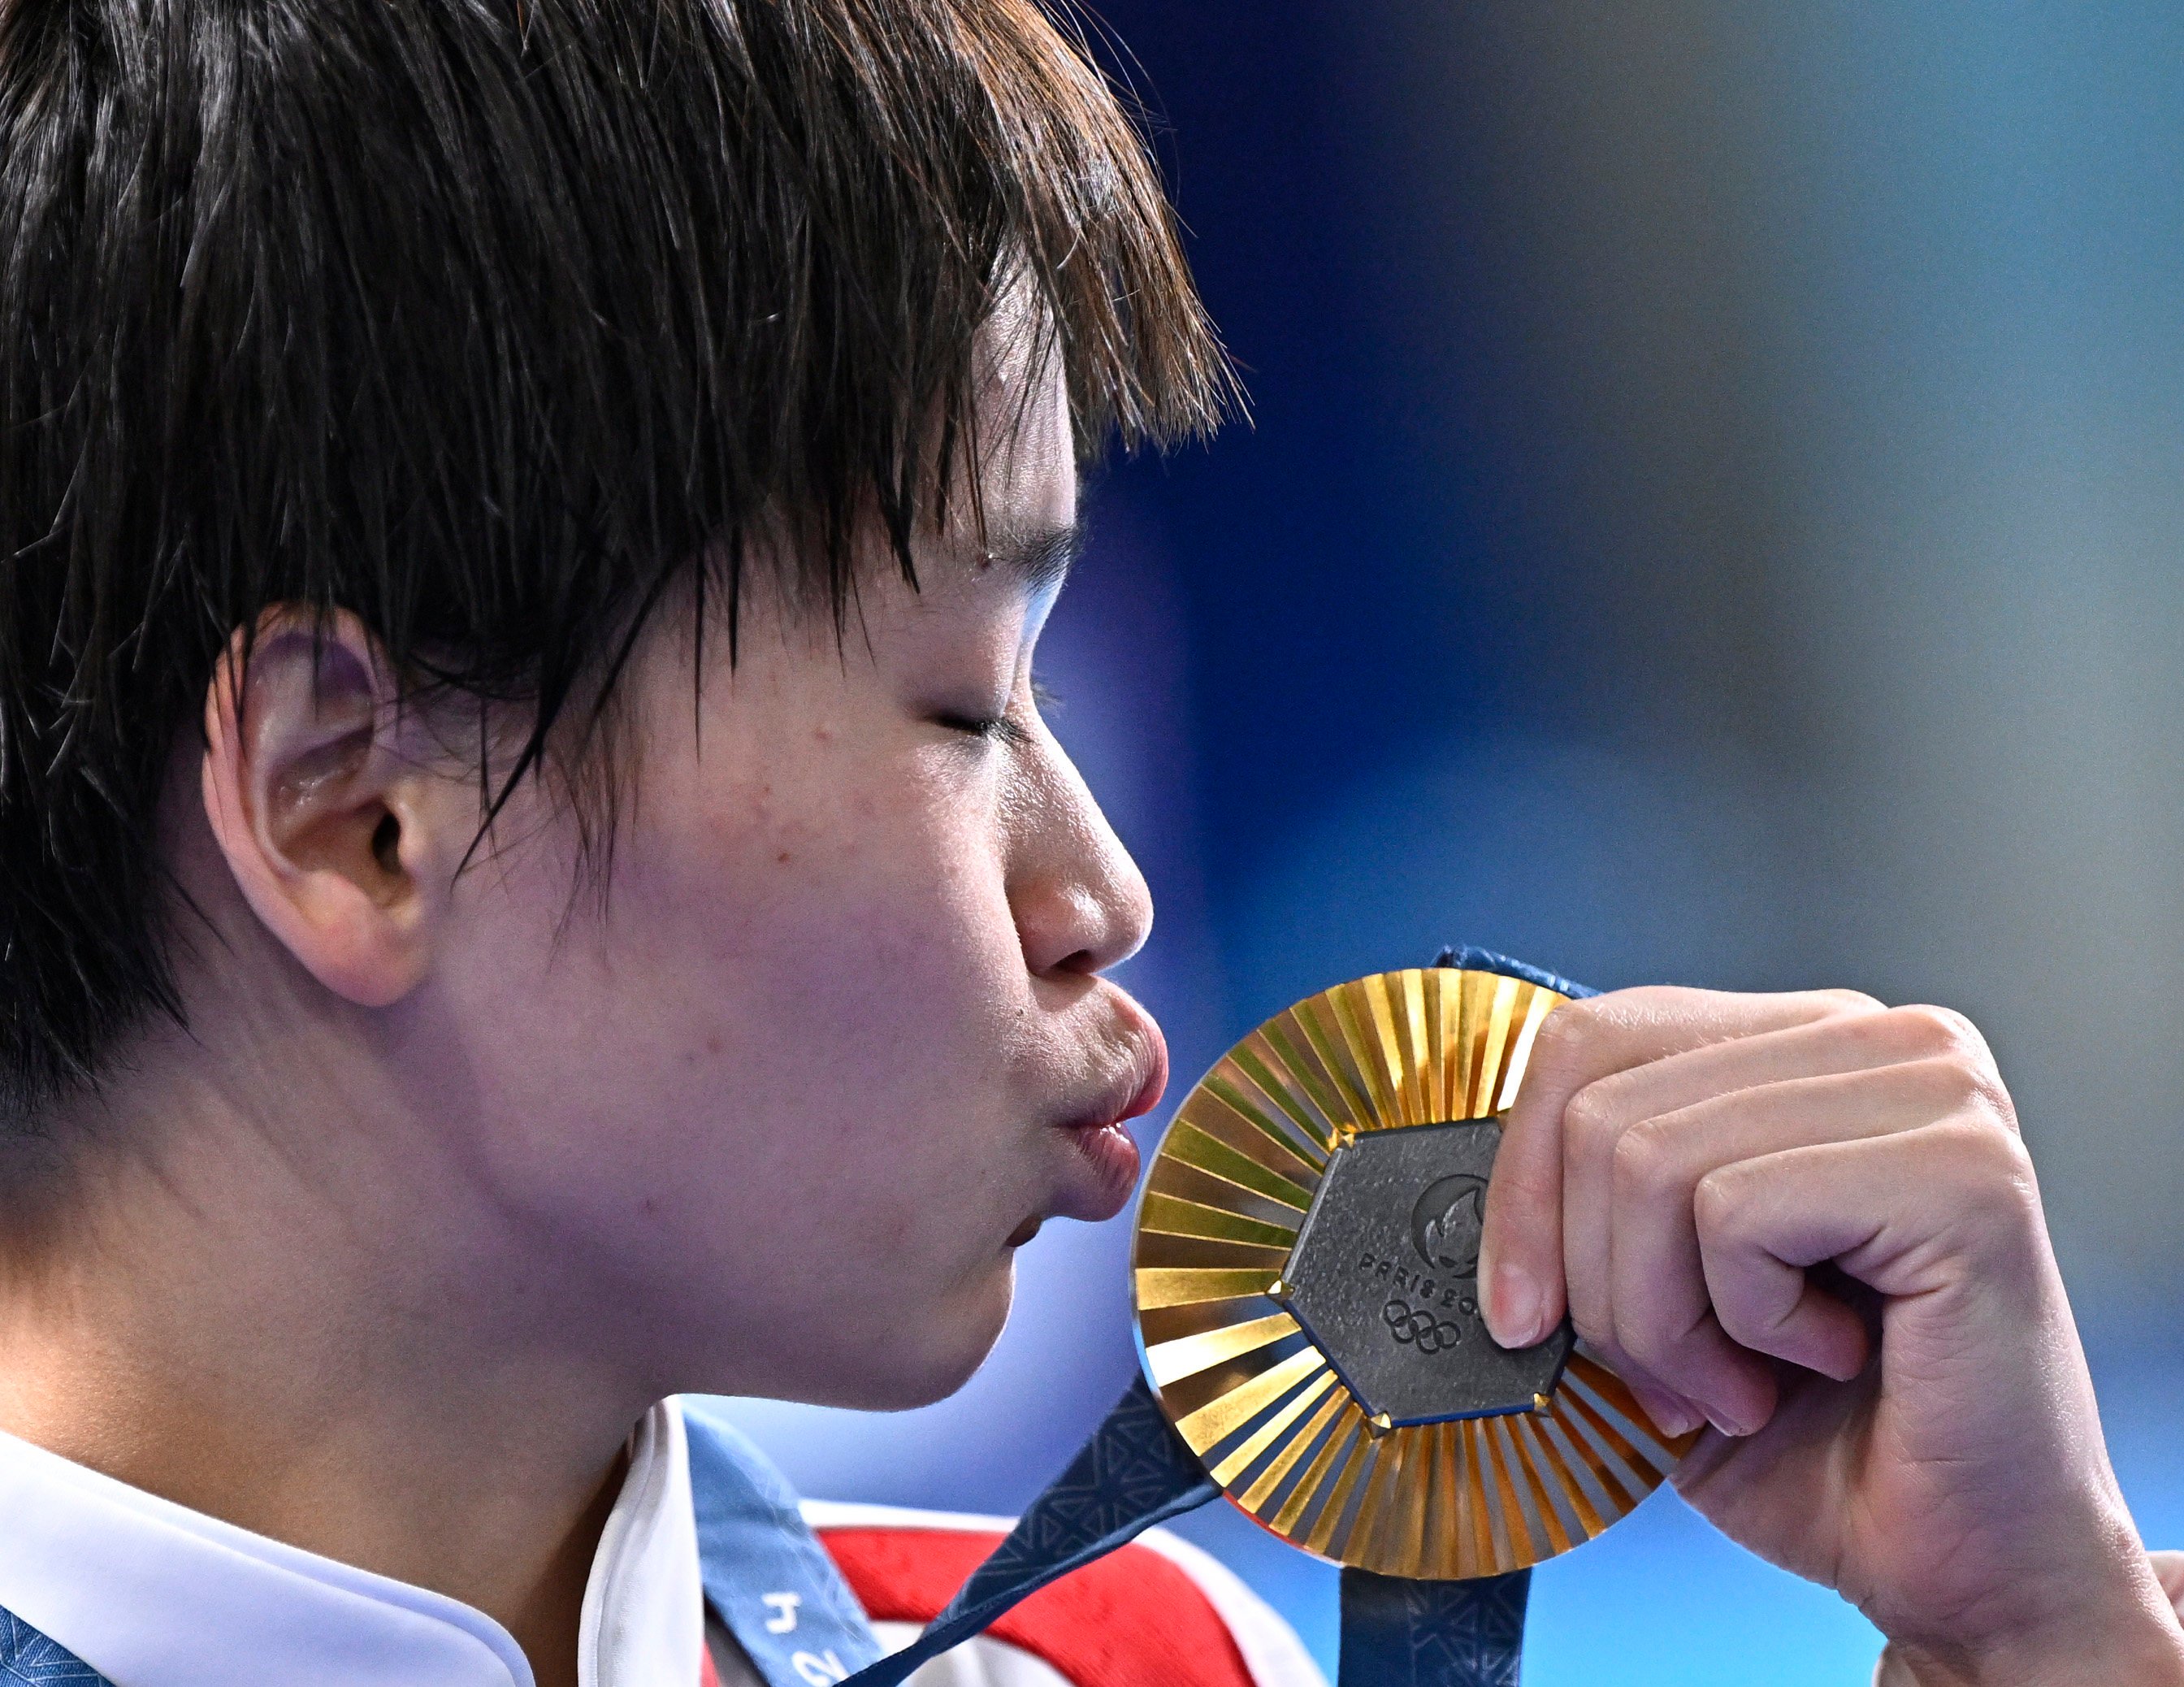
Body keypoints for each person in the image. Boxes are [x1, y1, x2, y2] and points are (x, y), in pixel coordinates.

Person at [0, 2, 2172, 1685]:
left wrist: (2039, 1646)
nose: (1106, 895)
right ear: (358, 811)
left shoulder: (1132, 1655)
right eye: (960, 710)